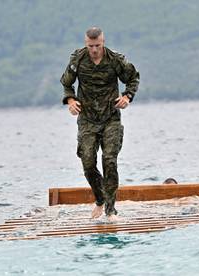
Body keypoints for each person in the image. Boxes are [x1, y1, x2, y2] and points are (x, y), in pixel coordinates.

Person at [60, 27, 140, 222]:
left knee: (109, 160)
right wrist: (70, 101)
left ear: (103, 42)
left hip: (110, 117)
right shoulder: (78, 59)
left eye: (97, 46)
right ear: (86, 43)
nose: (94, 50)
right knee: (87, 162)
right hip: (87, 119)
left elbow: (133, 78)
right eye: (90, 46)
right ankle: (99, 198)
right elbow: (67, 83)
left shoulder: (115, 59)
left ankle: (111, 210)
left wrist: (127, 96)